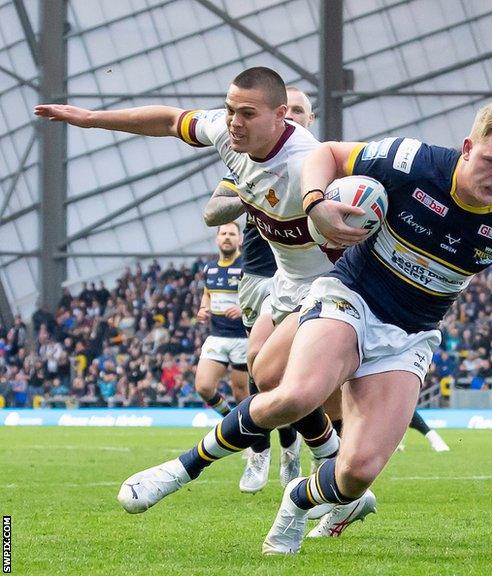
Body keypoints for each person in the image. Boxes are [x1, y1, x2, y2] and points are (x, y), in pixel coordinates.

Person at [112, 101, 492, 554]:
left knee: (358, 473)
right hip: (351, 294)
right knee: (297, 393)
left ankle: (297, 499)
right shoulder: (413, 161)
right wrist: (316, 204)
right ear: (467, 148)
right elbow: (329, 155)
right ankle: (179, 470)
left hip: (412, 334)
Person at [36, 66, 350, 504]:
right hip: (286, 279)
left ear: (283, 116)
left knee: (280, 379)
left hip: (331, 284)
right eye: (229, 110)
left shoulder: (308, 162)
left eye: (247, 113)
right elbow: (167, 120)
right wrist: (91, 119)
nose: (234, 122)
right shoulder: (228, 134)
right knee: (262, 370)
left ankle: (199, 467)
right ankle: (333, 466)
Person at [201, 85, 323, 493]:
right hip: (259, 277)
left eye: (301, 112)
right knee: (263, 370)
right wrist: (249, 192)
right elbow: (212, 212)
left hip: (313, 280)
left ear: (308, 118)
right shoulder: (248, 160)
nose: (293, 121)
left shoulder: (321, 164)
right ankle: (264, 450)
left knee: (307, 377)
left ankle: (315, 453)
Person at [194, 223, 249, 418]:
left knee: (241, 394)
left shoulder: (247, 266)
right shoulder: (210, 268)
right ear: (217, 239)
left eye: (232, 234)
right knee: (204, 387)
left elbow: (262, 296)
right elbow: (207, 294)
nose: (227, 237)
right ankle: (229, 420)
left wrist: (243, 309)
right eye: (223, 234)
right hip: (217, 336)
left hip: (243, 338)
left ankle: (253, 440)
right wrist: (203, 309)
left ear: (240, 239)